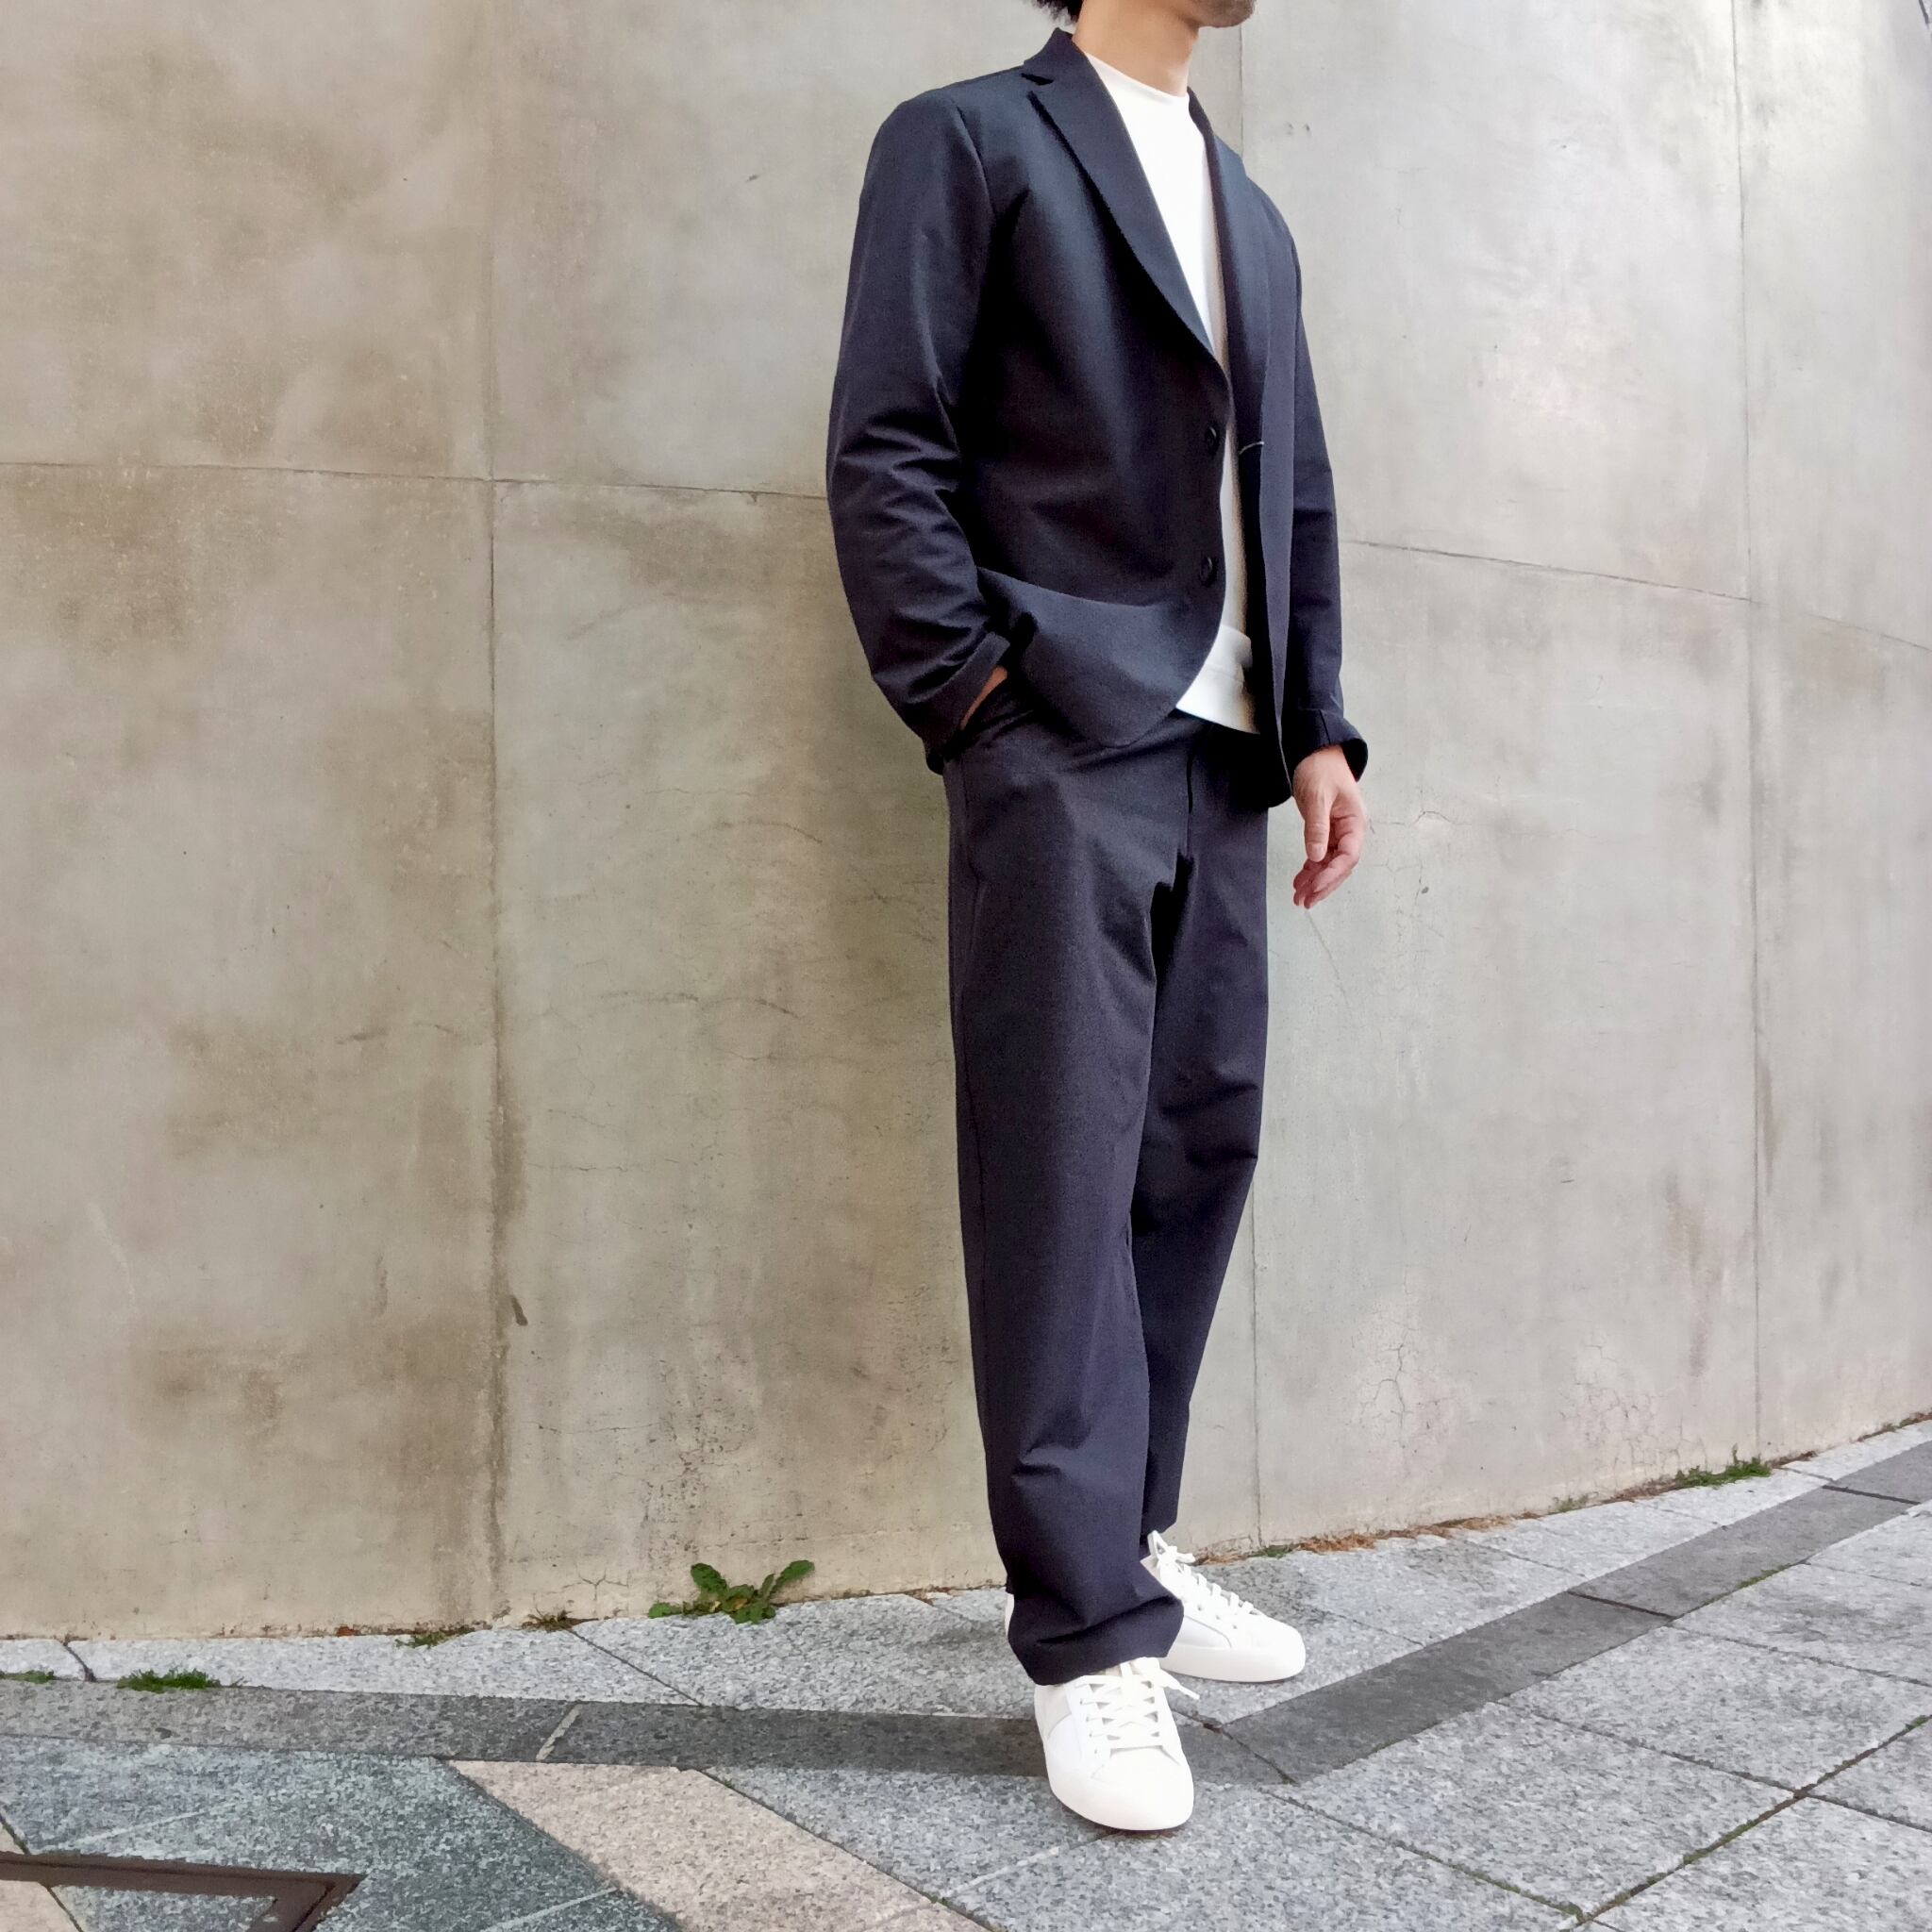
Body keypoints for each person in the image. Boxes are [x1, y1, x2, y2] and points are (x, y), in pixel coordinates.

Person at [824, 0, 1367, 1833]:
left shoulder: (1250, 208)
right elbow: (887, 442)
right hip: (1058, 734)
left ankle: (1128, 1541)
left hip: (1223, 758)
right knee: (1058, 1171)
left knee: (1191, 1153)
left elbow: (1290, 485)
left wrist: (1317, 726)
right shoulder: (971, 139)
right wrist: (974, 700)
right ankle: (1079, 1637)